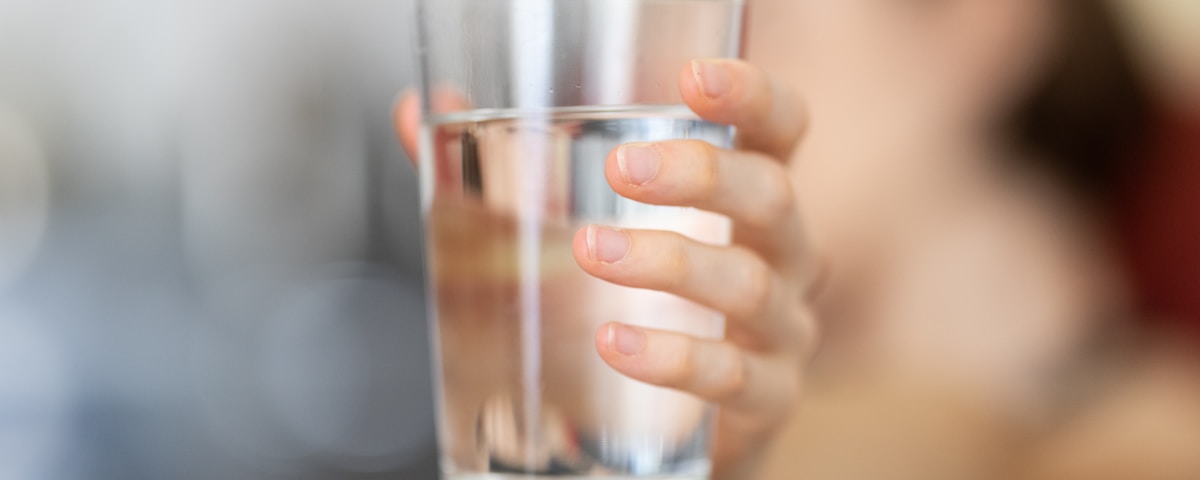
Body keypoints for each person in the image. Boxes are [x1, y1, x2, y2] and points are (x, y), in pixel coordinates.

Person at [397, 0, 1199, 478]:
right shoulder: (674, 413)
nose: (661, 74)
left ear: (976, 21)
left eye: (758, 18)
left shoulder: (1146, 431)